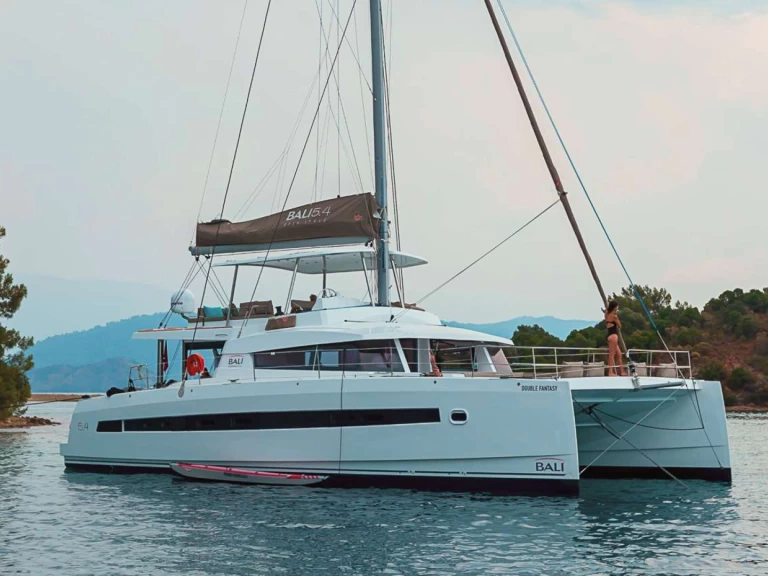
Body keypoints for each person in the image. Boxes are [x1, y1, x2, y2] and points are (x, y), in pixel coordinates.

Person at [604, 301, 625, 376]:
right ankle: (610, 372)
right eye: (617, 306)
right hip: (614, 336)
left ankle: (622, 371)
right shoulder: (614, 316)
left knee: (619, 354)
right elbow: (619, 325)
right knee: (612, 355)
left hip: (609, 335)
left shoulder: (606, 314)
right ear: (615, 307)